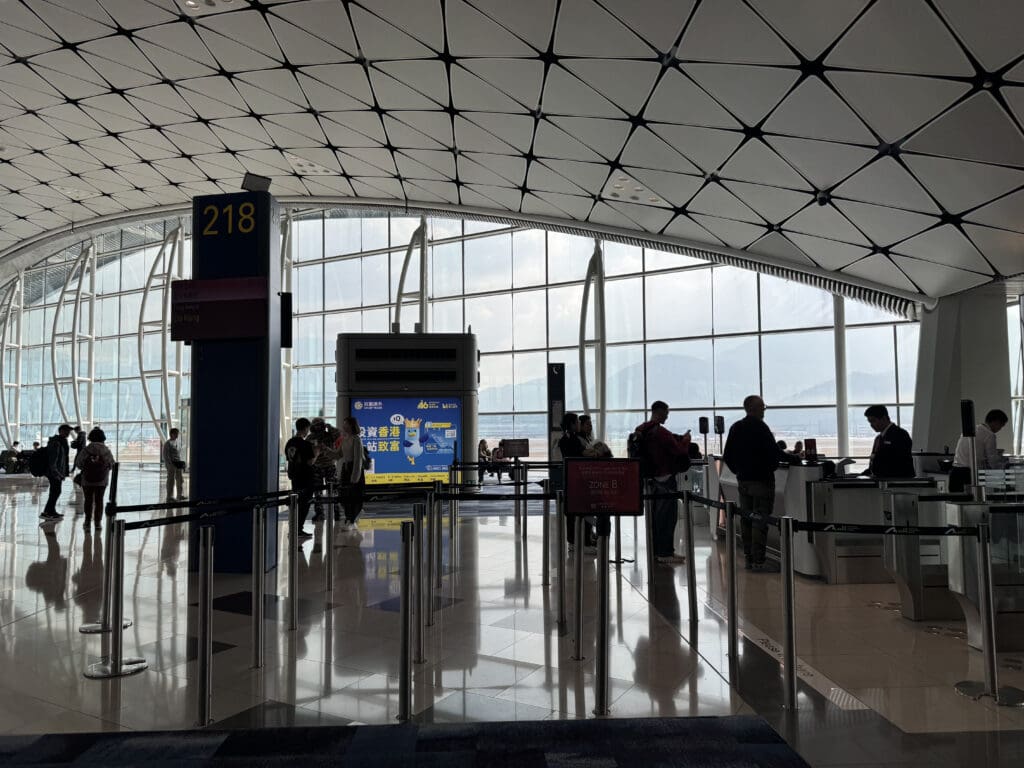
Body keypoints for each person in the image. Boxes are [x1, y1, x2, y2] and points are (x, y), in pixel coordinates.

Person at [722, 396, 790, 572]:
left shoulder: (736, 427)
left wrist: (739, 472)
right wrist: (794, 458)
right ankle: (759, 560)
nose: (764, 410)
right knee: (760, 520)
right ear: (753, 408)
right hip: (762, 481)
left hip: (744, 481)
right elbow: (775, 452)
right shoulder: (760, 427)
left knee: (747, 519)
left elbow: (727, 455)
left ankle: (748, 557)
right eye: (762, 407)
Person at [634, 401, 692, 565]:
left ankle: (656, 551)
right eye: (666, 413)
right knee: (667, 517)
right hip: (665, 478)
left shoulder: (641, 429)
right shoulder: (661, 432)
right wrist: (686, 440)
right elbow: (679, 451)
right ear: (659, 412)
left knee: (654, 518)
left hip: (650, 480)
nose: (667, 416)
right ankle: (665, 552)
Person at [558, 412, 594, 550]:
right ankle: (583, 542)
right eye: (578, 422)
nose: (579, 424)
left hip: (572, 479)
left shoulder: (568, 439)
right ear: (572, 424)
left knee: (574, 512)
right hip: (578, 479)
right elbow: (580, 457)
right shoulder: (571, 440)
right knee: (580, 510)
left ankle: (574, 541)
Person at [951, 408, 1009, 491]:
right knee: (971, 502)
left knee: (955, 502)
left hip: (955, 472)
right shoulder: (989, 435)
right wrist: (1004, 469)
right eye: (1001, 425)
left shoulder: (972, 429)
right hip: (969, 474)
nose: (1000, 429)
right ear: (996, 422)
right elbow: (992, 461)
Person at [74, 428, 114, 530]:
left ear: (90, 437)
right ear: (103, 437)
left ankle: (87, 521)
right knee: (99, 501)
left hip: (87, 480)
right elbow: (112, 464)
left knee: (88, 500)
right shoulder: (106, 450)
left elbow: (78, 463)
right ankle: (98, 523)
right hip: (102, 480)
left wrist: (87, 467)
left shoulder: (86, 449)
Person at [863, 405, 914, 478]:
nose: (871, 425)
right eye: (869, 422)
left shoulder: (900, 434)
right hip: (882, 481)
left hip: (898, 482)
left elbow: (901, 463)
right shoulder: (878, 438)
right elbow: (874, 464)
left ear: (884, 418)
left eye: (873, 421)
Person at [285, 418, 316, 538]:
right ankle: (298, 529)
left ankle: (293, 528)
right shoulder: (305, 444)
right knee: (304, 504)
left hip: (295, 477)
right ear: (305, 428)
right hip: (306, 477)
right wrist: (317, 452)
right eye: (308, 428)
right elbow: (310, 462)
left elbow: (290, 459)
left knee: (295, 503)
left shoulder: (289, 443)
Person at [337, 416, 365, 531]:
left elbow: (358, 460)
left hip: (354, 469)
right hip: (346, 468)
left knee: (354, 495)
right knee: (344, 495)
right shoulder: (344, 439)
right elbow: (338, 454)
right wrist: (326, 450)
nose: (344, 426)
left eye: (346, 424)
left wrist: (355, 476)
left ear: (352, 425)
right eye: (344, 423)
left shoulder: (356, 439)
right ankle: (349, 518)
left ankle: (352, 519)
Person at [309, 417, 341, 520]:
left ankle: (337, 512)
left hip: (330, 466)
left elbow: (339, 435)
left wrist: (329, 427)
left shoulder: (329, 435)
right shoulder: (310, 438)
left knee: (333, 490)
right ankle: (319, 513)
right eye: (316, 425)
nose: (318, 427)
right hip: (317, 467)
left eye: (320, 424)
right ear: (312, 427)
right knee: (317, 491)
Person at [40, 424, 72, 521]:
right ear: (61, 431)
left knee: (55, 492)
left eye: (69, 431)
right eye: (67, 431)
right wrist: (57, 473)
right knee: (56, 491)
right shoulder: (56, 443)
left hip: (57, 471)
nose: (68, 433)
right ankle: (47, 512)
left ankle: (50, 511)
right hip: (54, 472)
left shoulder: (61, 441)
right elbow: (53, 460)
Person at [162, 428, 186, 501]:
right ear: (171, 434)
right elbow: (166, 455)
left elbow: (179, 454)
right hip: (171, 464)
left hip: (178, 463)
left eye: (177, 433)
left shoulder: (177, 442)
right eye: (175, 433)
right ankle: (169, 496)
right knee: (171, 480)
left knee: (180, 479)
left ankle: (180, 495)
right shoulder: (167, 443)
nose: (177, 435)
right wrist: (169, 465)